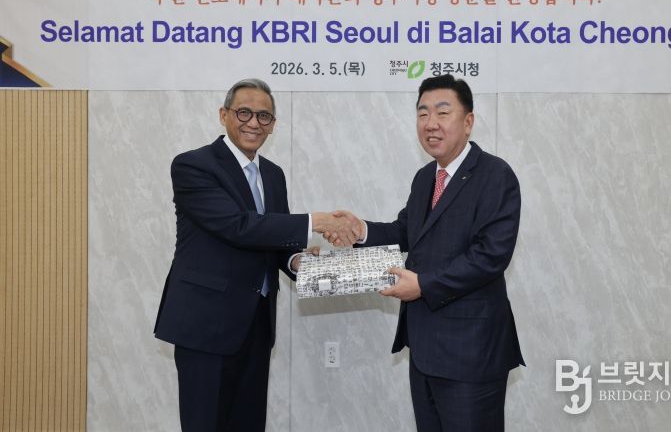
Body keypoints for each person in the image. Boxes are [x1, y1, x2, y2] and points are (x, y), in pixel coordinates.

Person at [154, 78, 354, 432]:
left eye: (264, 116)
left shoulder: (273, 175)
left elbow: (276, 244)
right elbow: (238, 226)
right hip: (205, 325)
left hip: (256, 326)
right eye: (243, 112)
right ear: (224, 115)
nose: (254, 123)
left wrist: (299, 262)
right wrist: (317, 221)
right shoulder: (193, 165)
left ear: (273, 125)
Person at [330, 74, 524, 431]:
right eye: (422, 113)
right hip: (424, 349)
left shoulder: (495, 175)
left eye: (442, 112)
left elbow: (490, 255)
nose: (430, 123)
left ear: (468, 121)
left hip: (471, 354)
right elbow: (406, 231)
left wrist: (423, 285)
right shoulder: (425, 178)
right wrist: (361, 230)